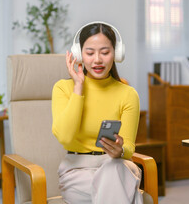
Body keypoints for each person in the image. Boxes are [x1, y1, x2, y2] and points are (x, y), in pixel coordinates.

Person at [52, 21, 143, 204]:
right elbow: (65, 138)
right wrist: (79, 87)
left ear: (116, 54)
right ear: (79, 54)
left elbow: (129, 148)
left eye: (105, 52)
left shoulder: (128, 94)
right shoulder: (63, 88)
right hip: (78, 171)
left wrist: (120, 150)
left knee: (113, 168)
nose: (98, 60)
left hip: (117, 164)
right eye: (90, 53)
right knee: (126, 192)